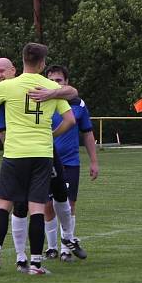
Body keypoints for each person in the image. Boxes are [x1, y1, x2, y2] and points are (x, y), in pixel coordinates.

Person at [0, 43, 81, 276]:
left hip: (14, 154)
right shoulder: (51, 87)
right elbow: (70, 119)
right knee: (37, 209)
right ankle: (35, 264)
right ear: (42, 64)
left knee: (4, 205)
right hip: (42, 154)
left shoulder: (8, 86)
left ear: (21, 61)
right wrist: (50, 134)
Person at [41, 64, 99, 262]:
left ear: (66, 82)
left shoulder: (77, 104)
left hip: (70, 162)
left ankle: (67, 246)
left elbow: (88, 133)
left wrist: (94, 161)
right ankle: (51, 247)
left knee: (68, 203)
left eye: (58, 80)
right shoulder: (41, 103)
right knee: (47, 205)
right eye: (51, 80)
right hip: (45, 159)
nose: (54, 84)